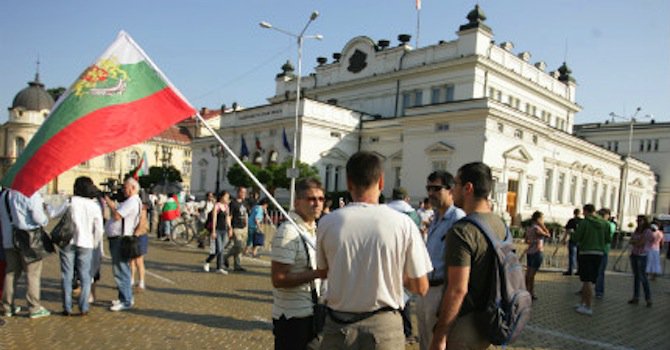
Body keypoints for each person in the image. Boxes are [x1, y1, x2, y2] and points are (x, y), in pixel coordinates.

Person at [317, 151, 432, 349]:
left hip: (338, 324)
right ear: (381, 182)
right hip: (384, 327)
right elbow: (421, 287)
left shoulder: (327, 222)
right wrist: (396, 276)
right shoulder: (403, 223)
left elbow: (324, 269)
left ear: (349, 183)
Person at [429, 162, 506, 350]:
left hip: (466, 326)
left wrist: (440, 334)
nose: (452, 190)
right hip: (491, 320)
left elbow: (457, 290)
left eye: (455, 184)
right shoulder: (499, 224)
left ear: (468, 188)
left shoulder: (463, 231)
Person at [271, 178, 326, 350]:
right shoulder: (287, 232)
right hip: (293, 319)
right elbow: (279, 279)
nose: (317, 204)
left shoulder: (314, 229)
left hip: (313, 314)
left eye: (321, 199)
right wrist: (318, 273)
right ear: (297, 202)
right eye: (311, 199)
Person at [416, 171, 464, 350]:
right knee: (424, 340)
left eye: (436, 188)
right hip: (426, 289)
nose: (431, 193)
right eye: (429, 188)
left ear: (450, 190)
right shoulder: (435, 217)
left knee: (435, 342)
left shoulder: (457, 219)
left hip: (440, 290)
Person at [1, 189, 51, 319]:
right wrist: (46, 219)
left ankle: (7, 306)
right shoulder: (30, 194)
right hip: (28, 240)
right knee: (32, 274)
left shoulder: (5, 195)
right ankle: (34, 307)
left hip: (9, 239)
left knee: (11, 273)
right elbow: (38, 217)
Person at [60, 177, 104, 316]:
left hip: (68, 241)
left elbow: (54, 213)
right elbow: (99, 229)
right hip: (86, 243)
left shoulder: (70, 202)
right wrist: (95, 242)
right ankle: (83, 306)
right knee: (85, 276)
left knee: (67, 275)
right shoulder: (94, 205)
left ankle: (67, 306)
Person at [387, 186, 422, 344]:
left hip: (387, 257)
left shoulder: (385, 210)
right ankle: (406, 331)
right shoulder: (412, 213)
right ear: (406, 197)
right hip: (405, 257)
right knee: (405, 296)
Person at [103, 177, 142, 312]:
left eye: (125, 188)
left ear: (132, 188)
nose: (123, 190)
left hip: (120, 238)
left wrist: (109, 202)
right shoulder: (132, 201)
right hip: (120, 237)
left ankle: (126, 300)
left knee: (121, 270)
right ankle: (124, 297)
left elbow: (117, 216)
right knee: (122, 268)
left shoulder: (132, 201)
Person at [572, 204, 611, 316]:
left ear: (586, 211)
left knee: (586, 279)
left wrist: (574, 236)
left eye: (583, 212)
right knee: (588, 280)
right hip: (599, 253)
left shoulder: (585, 223)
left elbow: (576, 237)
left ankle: (588, 306)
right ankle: (583, 303)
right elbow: (608, 239)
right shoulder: (605, 224)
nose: (583, 214)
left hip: (586, 252)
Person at [203, 191, 232, 274]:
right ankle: (219, 267)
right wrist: (213, 231)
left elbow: (227, 218)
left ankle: (208, 261)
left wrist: (230, 228)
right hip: (217, 230)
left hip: (224, 230)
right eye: (226, 197)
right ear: (222, 197)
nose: (227, 198)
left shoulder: (226, 207)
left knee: (220, 250)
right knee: (219, 249)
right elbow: (214, 219)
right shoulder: (217, 206)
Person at [525, 211, 551, 300]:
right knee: (532, 275)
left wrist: (532, 241)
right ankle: (530, 292)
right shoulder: (537, 228)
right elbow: (548, 235)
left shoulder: (529, 228)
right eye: (542, 219)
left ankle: (526, 290)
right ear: (539, 219)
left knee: (528, 273)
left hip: (529, 252)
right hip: (537, 251)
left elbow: (526, 240)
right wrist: (543, 226)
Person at [628, 215, 653, 307]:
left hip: (642, 255)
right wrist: (634, 242)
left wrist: (635, 242)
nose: (638, 222)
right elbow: (631, 241)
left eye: (640, 220)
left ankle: (648, 298)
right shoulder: (637, 230)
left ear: (645, 221)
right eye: (637, 220)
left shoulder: (647, 231)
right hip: (634, 254)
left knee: (643, 277)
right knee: (636, 277)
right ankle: (636, 297)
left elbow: (640, 243)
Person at [224, 187, 249, 272]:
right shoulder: (233, 203)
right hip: (236, 227)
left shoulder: (245, 203)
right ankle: (226, 256)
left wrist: (247, 225)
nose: (244, 194)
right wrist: (229, 227)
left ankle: (237, 265)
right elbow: (229, 216)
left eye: (245, 192)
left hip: (244, 227)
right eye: (243, 192)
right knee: (239, 245)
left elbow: (246, 214)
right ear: (238, 193)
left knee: (241, 248)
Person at [131, 192, 150, 291]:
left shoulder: (142, 209)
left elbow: (142, 223)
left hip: (140, 236)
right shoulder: (138, 208)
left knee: (139, 260)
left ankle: (141, 282)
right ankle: (131, 280)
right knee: (131, 260)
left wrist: (135, 235)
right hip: (136, 235)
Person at [595, 208, 616, 299]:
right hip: (596, 249)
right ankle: (586, 289)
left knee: (600, 272)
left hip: (603, 250)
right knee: (592, 271)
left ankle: (599, 291)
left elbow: (608, 236)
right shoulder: (602, 224)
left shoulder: (610, 225)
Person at [563, 208, 582, 275]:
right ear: (580, 213)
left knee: (572, 256)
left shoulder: (571, 221)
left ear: (574, 213)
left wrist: (564, 239)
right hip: (580, 241)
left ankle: (570, 270)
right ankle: (579, 270)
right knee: (579, 257)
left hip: (573, 240)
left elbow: (567, 231)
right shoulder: (582, 221)